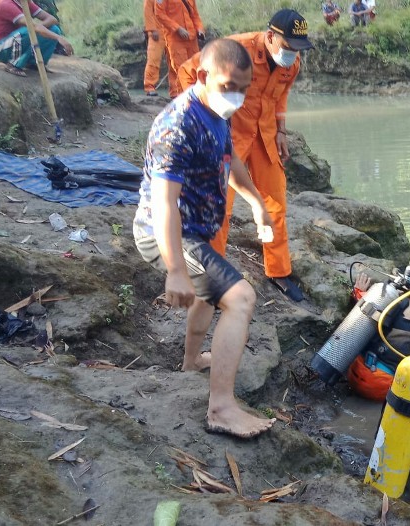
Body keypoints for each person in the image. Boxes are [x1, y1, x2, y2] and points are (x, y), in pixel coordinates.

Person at [132, 38, 277, 439]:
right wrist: (175, 269)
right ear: (203, 76)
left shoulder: (217, 112)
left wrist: (257, 203)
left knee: (208, 294)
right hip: (167, 232)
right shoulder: (177, 124)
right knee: (240, 298)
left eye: (245, 88)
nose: (238, 96)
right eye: (230, 85)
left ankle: (192, 361)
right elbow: (163, 204)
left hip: (199, 228)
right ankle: (222, 409)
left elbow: (230, 160)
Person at [177, 9, 313, 302]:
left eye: (297, 49)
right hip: (230, 136)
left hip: (263, 136)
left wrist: (281, 130)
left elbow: (282, 94)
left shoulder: (293, 61)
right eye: (287, 48)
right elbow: (188, 70)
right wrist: (202, 117)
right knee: (219, 207)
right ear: (270, 37)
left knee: (275, 202)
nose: (292, 55)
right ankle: (212, 275)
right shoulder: (236, 51)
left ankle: (278, 271)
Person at [0, 0, 72, 77]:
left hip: (15, 41)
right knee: (30, 30)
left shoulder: (26, 3)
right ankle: (13, 65)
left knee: (54, 29)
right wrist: (57, 37)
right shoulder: (6, 4)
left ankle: (34, 63)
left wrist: (39, 28)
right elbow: (31, 27)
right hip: (0, 48)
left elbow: (52, 19)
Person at [153, 0, 204, 98]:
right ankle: (183, 97)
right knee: (180, 68)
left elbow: (195, 15)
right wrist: (177, 28)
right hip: (174, 38)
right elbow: (159, 14)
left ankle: (181, 94)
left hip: (192, 38)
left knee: (196, 67)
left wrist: (200, 29)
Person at [142, 0, 166, 97]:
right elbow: (148, 12)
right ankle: (149, 86)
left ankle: (175, 89)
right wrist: (152, 29)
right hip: (157, 32)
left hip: (172, 30)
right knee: (153, 60)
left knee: (175, 61)